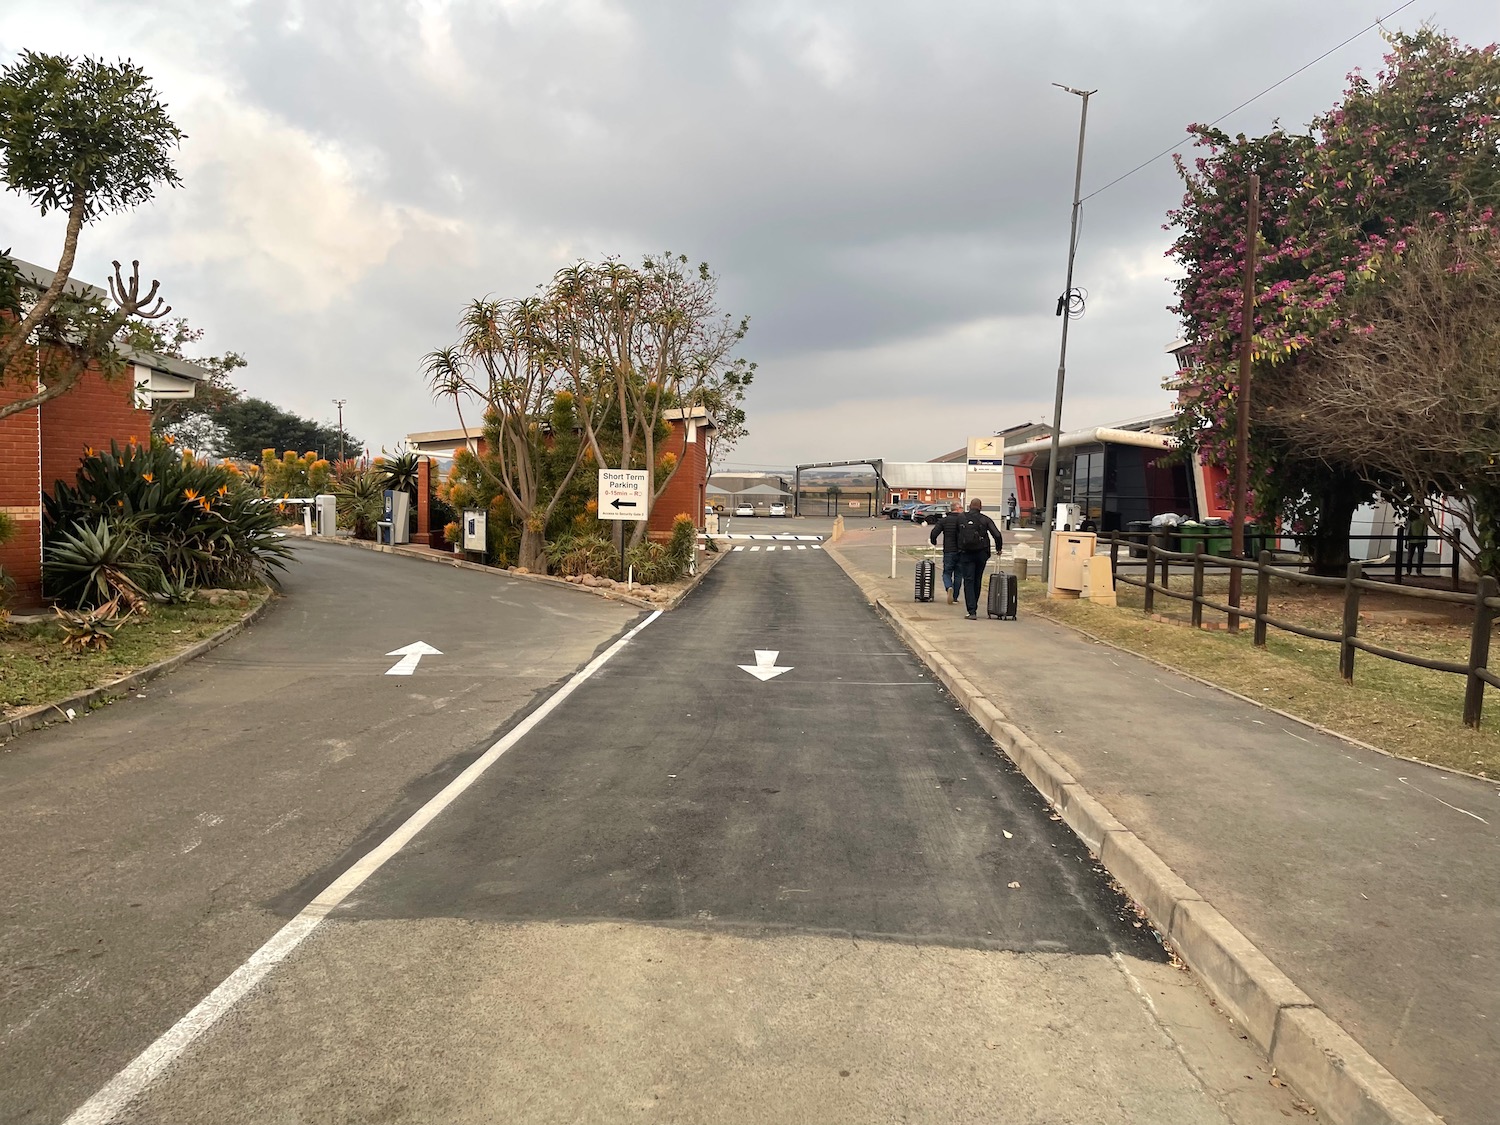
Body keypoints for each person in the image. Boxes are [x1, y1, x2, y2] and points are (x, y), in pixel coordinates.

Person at [954, 498, 1004, 619]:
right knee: (977, 579)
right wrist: (998, 548)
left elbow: (956, 533)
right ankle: (974, 605)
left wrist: (958, 548)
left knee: (968, 580)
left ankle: (972, 611)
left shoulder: (961, 518)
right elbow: (997, 534)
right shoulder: (985, 519)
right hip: (981, 553)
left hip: (966, 553)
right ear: (980, 507)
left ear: (969, 506)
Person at [928, 501, 966, 603]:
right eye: (961, 507)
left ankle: (949, 587)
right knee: (959, 574)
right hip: (961, 551)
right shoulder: (963, 520)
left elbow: (934, 532)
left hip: (949, 550)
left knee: (947, 573)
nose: (962, 509)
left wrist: (934, 541)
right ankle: (954, 597)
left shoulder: (944, 521)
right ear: (957, 509)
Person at [1406, 509, 1429, 574]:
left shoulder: (1413, 518)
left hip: (1418, 540)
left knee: (1416, 557)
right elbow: (1408, 530)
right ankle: (1411, 571)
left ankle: (1415, 571)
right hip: (1415, 540)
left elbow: (1424, 529)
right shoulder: (1411, 519)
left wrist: (1425, 540)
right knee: (1412, 557)